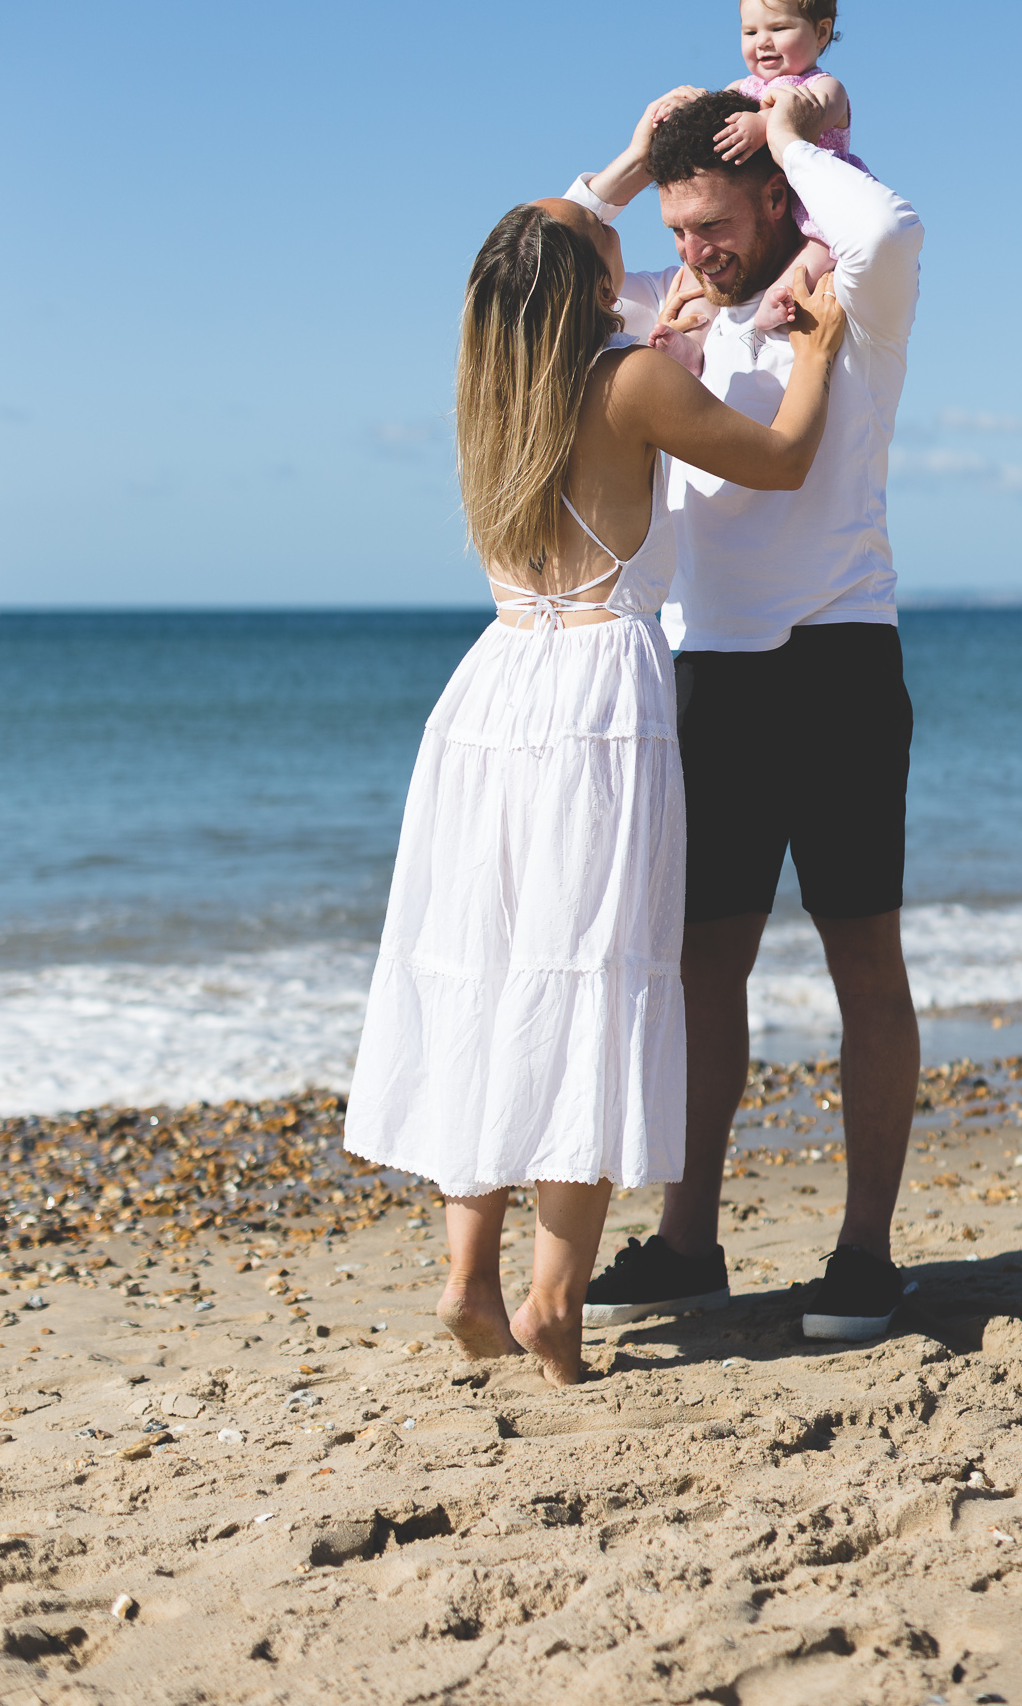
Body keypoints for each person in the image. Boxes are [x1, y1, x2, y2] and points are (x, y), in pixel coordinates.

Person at [342, 198, 845, 1386]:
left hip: (492, 690)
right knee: (593, 984)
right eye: (620, 264)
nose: (645, 274)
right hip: (596, 702)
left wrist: (665, 334)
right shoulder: (627, 386)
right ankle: (551, 1299)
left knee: (494, 972)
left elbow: (591, 362)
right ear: (583, 293)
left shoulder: (492, 396)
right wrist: (815, 355)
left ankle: (469, 1269)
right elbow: (779, 461)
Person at [568, 81, 924, 1344]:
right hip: (703, 672)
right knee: (698, 969)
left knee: (859, 960)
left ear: (777, 196)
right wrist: (626, 162)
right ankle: (687, 1241)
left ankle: (866, 1254)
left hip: (836, 659)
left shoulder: (851, 296)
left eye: (712, 222)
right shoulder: (676, 309)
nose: (694, 251)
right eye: (676, 228)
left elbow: (890, 227)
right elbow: (537, 261)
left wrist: (785, 133)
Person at [648, 0, 866, 367]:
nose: (762, 43)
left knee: (817, 252)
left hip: (813, 205)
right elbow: (709, 115)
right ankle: (697, 343)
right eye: (750, 32)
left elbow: (812, 115)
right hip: (768, 199)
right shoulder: (743, 88)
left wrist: (765, 124)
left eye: (779, 29)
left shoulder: (825, 86)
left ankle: (781, 295)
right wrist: (686, 105)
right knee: (710, 286)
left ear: (821, 32)